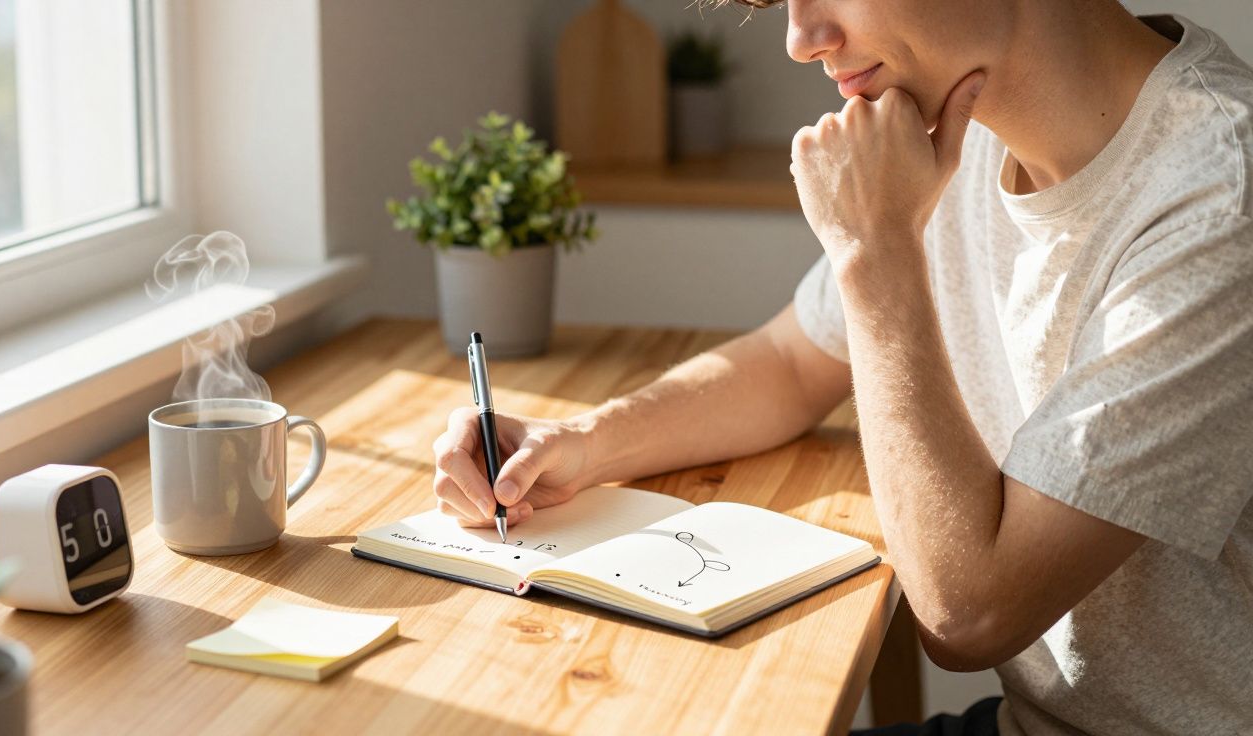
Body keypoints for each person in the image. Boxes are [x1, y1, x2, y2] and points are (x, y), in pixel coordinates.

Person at [430, 0, 1253, 733]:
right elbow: (791, 361)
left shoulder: (1219, 195)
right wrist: (576, 442)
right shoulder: (954, 135)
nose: (799, 39)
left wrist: (874, 250)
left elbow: (969, 616)